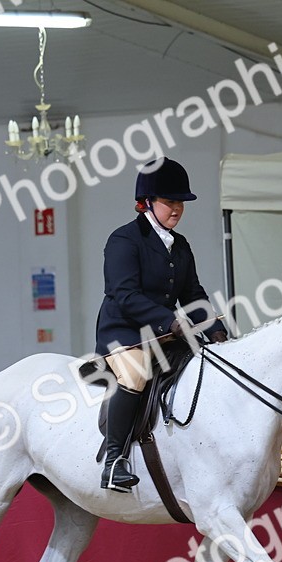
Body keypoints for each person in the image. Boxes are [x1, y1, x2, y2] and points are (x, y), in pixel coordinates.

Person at [95, 158, 228, 492]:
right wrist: (169, 320)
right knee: (136, 373)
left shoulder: (180, 245)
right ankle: (114, 462)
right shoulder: (124, 240)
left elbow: (192, 293)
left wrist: (215, 329)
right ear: (147, 202)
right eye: (170, 202)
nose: (177, 209)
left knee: (207, 364)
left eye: (180, 203)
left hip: (166, 334)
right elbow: (124, 294)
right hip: (124, 334)